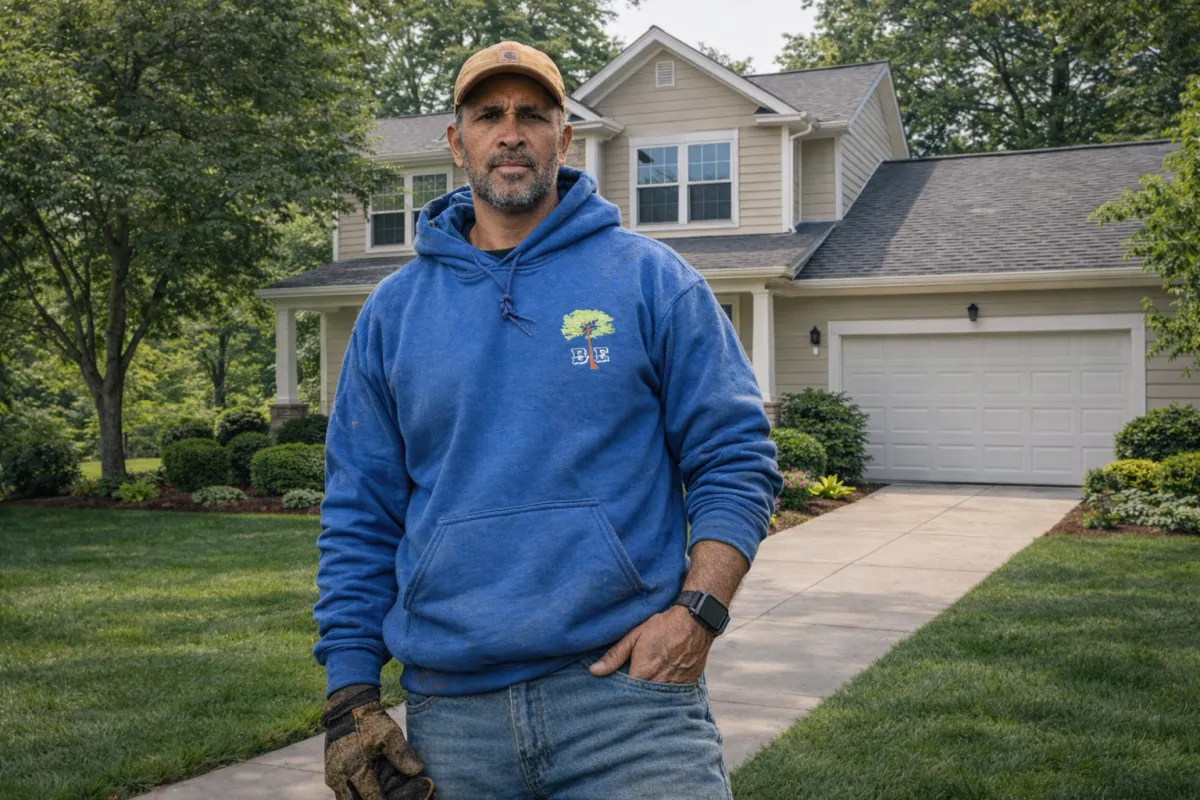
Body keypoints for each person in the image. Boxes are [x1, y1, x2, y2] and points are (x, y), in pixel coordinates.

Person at [313, 40, 783, 800]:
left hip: (630, 709)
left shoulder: (651, 281)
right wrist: (349, 699)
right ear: (456, 141)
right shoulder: (392, 314)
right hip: (453, 721)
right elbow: (359, 511)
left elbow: (735, 457)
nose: (511, 133)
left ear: (565, 139)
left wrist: (698, 613)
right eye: (488, 115)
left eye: (532, 115)